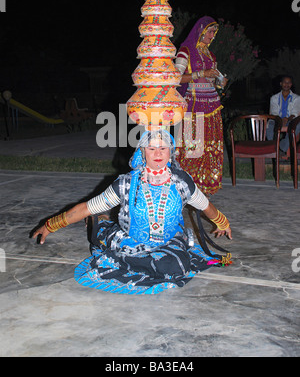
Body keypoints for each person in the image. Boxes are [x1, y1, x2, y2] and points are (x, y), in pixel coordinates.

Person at [33, 129, 232, 295]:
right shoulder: (126, 183)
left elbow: (204, 204)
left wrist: (222, 222)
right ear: (142, 151)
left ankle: (121, 236)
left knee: (176, 267)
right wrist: (51, 225)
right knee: (104, 238)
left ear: (170, 151)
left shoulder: (181, 182)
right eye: (151, 148)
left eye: (163, 148)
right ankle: (99, 221)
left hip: (170, 242)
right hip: (132, 242)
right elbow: (86, 207)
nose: (158, 153)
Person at [174, 16, 227, 196]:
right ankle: (187, 187)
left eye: (214, 32)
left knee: (209, 147)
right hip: (192, 108)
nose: (213, 36)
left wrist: (220, 82)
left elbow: (212, 81)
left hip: (212, 107)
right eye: (210, 32)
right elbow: (175, 79)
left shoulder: (210, 55)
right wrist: (200, 73)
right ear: (201, 31)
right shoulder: (185, 51)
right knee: (192, 149)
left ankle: (204, 187)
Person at [266, 75, 300, 153]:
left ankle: (282, 147)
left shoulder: (297, 98)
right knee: (269, 126)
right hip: (277, 119)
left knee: (298, 125)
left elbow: (295, 112)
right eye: (285, 82)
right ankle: (273, 149)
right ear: (281, 83)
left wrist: (287, 119)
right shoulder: (274, 98)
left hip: (290, 119)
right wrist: (280, 120)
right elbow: (273, 112)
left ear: (291, 84)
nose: (286, 84)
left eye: (289, 83)